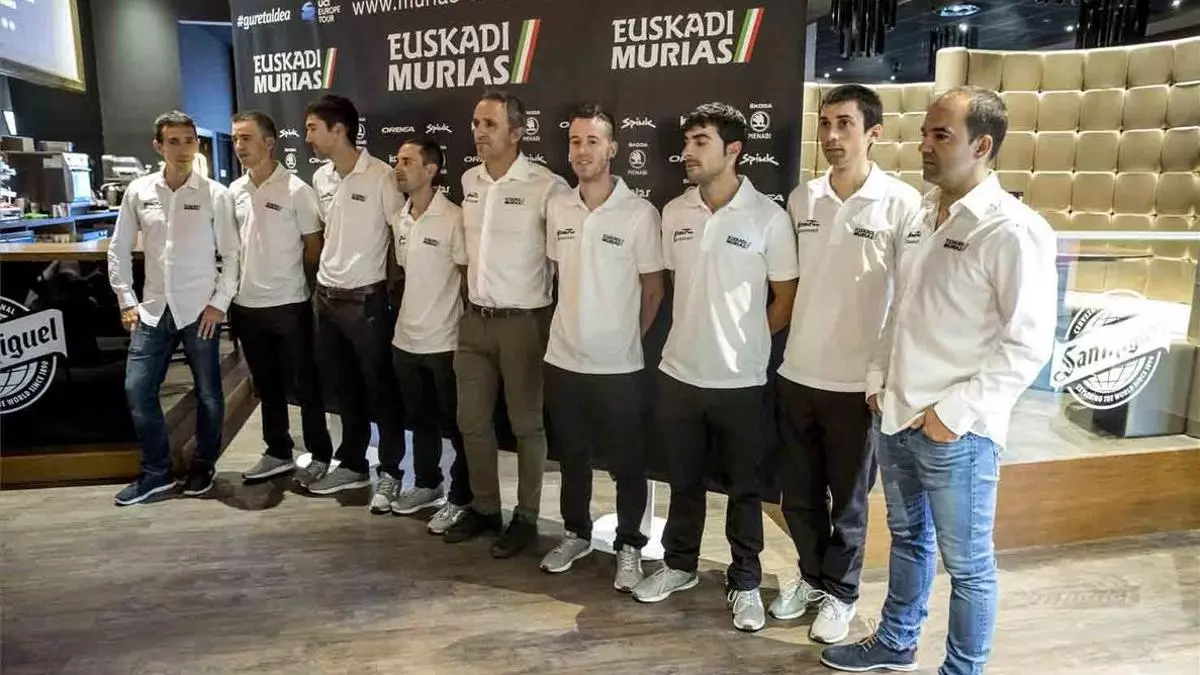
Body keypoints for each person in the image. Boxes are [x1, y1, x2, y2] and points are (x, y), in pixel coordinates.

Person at [821, 86, 1057, 674]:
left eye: (941, 135)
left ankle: (962, 669)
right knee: (908, 541)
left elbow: (1027, 342)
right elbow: (901, 309)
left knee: (969, 567)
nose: (924, 145)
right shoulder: (923, 214)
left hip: (959, 432)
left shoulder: (1012, 229)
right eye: (926, 133)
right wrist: (878, 378)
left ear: (982, 146)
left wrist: (954, 414)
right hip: (897, 414)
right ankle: (897, 642)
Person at [630, 103, 799, 633]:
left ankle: (744, 580)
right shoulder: (674, 212)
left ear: (734, 150)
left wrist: (746, 342)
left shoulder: (768, 218)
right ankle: (679, 565)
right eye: (686, 142)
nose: (687, 152)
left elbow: (785, 297)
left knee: (745, 491)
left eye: (700, 142)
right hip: (679, 373)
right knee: (683, 482)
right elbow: (673, 285)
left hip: (741, 382)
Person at [771, 85, 923, 644]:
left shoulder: (901, 203)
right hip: (797, 372)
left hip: (857, 384)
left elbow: (908, 300)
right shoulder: (802, 199)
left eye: (846, 125)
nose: (832, 136)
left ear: (873, 133)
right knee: (799, 497)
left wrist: (882, 375)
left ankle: (841, 592)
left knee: (850, 503)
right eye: (826, 123)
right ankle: (812, 578)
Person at [538, 103, 665, 591]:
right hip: (563, 358)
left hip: (619, 366)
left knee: (628, 463)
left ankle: (630, 545)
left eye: (593, 141)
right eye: (575, 141)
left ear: (612, 148)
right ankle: (576, 534)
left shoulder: (639, 213)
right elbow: (558, 275)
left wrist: (623, 337)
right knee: (572, 456)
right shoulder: (558, 206)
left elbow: (653, 290)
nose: (582, 150)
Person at [443, 90, 569, 558]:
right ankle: (484, 509)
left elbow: (563, 261)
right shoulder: (469, 180)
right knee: (471, 422)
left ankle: (527, 517)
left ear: (517, 132)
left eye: (490, 124)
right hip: (474, 321)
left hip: (524, 324)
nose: (479, 132)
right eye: (476, 123)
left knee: (527, 425)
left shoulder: (547, 186)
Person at [108, 110, 239, 505]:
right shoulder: (139, 191)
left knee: (209, 393)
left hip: (200, 311)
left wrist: (219, 304)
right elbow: (118, 248)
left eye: (189, 141)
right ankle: (157, 472)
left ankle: (203, 465)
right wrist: (126, 300)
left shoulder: (216, 194)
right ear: (158, 146)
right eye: (174, 141)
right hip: (152, 309)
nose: (183, 149)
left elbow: (233, 255)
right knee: (137, 389)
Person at [302, 94, 407, 498]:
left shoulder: (381, 176)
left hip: (367, 301)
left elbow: (400, 236)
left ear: (339, 129)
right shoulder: (321, 178)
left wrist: (392, 292)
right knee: (343, 388)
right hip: (326, 297)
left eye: (313, 128)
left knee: (381, 389)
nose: (308, 137)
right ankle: (352, 464)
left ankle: (392, 471)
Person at [226, 110, 334, 483]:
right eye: (235, 138)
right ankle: (278, 452)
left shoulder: (297, 190)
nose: (239, 145)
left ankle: (320, 454)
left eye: (246, 138)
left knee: (305, 385)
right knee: (266, 386)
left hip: (289, 305)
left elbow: (313, 249)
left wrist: (285, 278)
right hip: (246, 306)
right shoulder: (233, 192)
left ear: (269, 143)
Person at [380, 137, 473, 535]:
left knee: (458, 427)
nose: (398, 168)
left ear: (431, 170)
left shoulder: (454, 217)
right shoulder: (399, 218)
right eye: (397, 161)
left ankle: (461, 498)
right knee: (420, 422)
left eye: (407, 162)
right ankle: (427, 483)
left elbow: (467, 280)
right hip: (406, 339)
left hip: (445, 341)